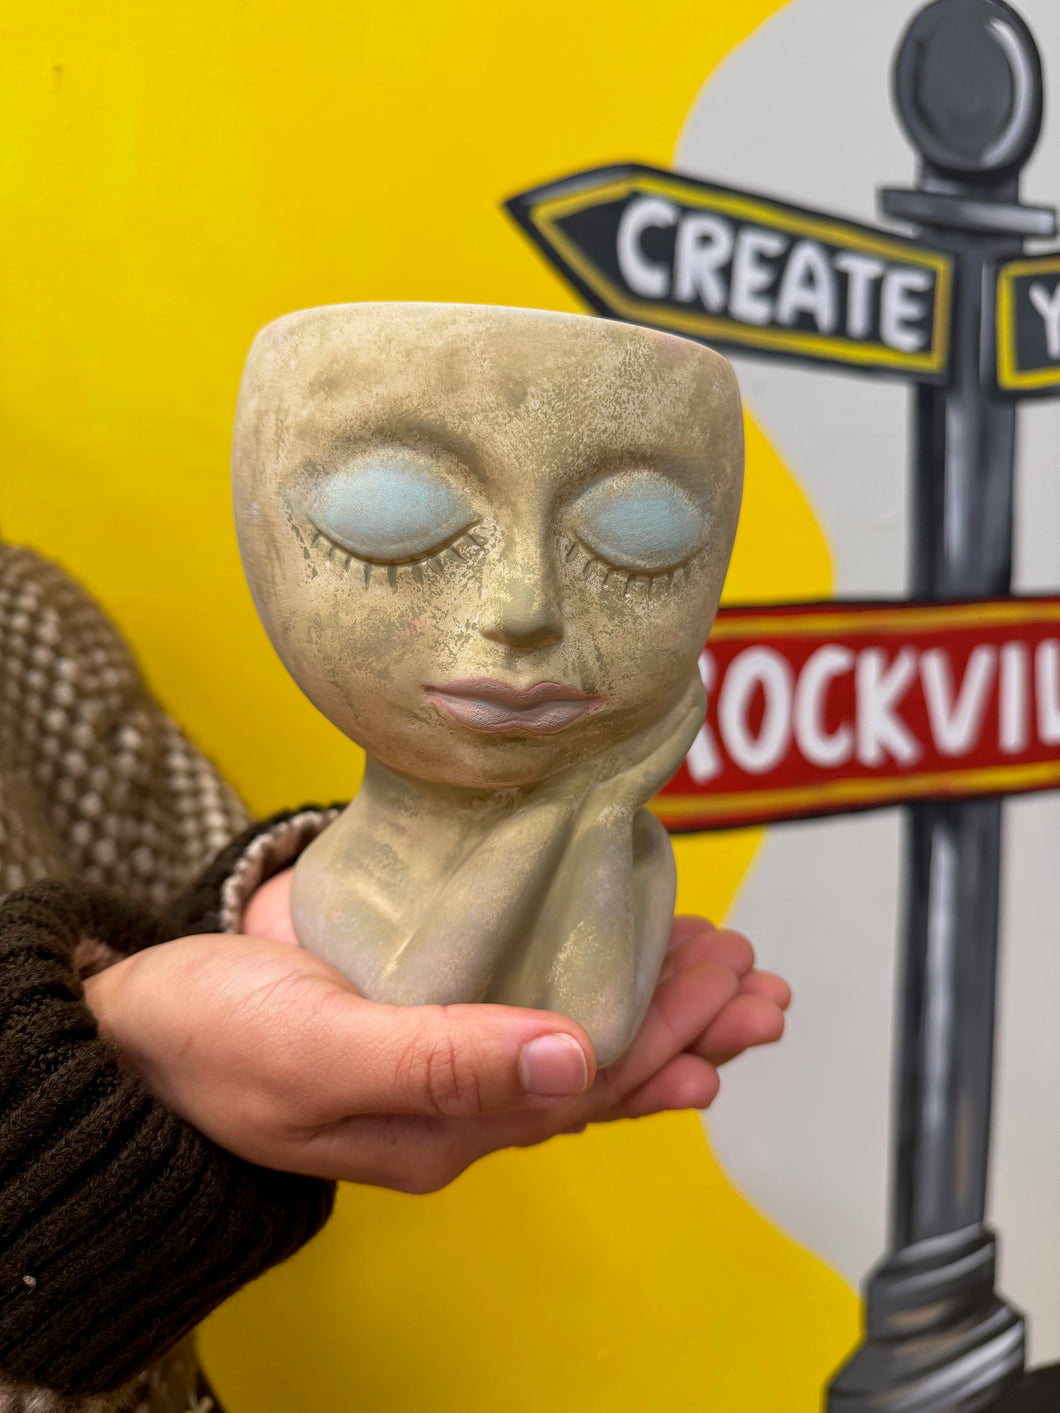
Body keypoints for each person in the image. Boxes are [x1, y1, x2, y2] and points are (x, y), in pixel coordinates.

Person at [0, 539, 790, 1413]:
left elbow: (166, 925)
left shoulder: (23, 623)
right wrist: (85, 1091)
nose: (522, 607)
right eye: (396, 530)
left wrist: (249, 924)